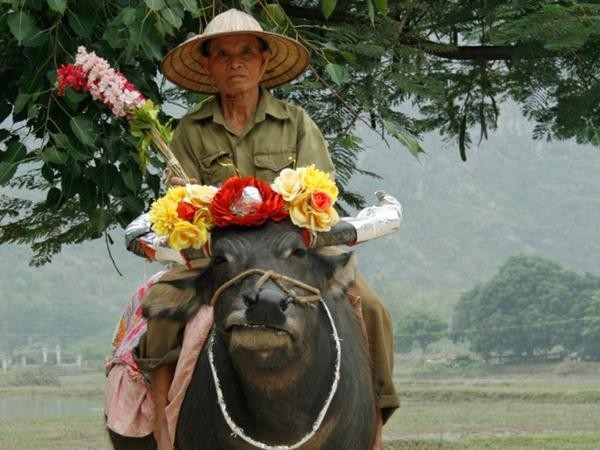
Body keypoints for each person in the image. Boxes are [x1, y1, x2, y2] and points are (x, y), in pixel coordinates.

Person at [129, 8, 398, 450]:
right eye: (223, 54)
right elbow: (181, 206)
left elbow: (321, 197)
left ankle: (376, 422)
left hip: (293, 253)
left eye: (246, 53)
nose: (235, 62)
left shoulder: (296, 123)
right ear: (209, 66)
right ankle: (163, 424)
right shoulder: (190, 131)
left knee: (371, 306)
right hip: (222, 257)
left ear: (263, 62)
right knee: (159, 314)